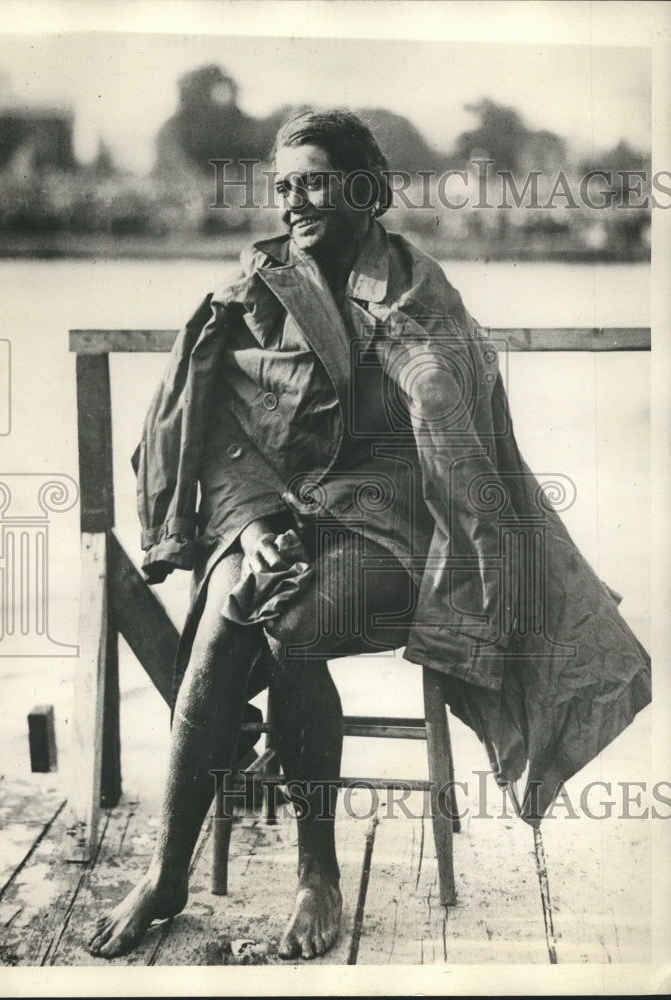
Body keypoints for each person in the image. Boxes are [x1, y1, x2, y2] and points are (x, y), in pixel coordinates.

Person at [89, 109, 650, 960]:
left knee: (289, 618)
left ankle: (317, 873)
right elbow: (217, 437)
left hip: (405, 540)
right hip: (288, 519)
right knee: (244, 592)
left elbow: (461, 447)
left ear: (368, 189)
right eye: (283, 187)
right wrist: (250, 527)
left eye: (313, 181)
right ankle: (169, 875)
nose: (294, 204)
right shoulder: (259, 294)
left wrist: (415, 370)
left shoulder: (424, 297)